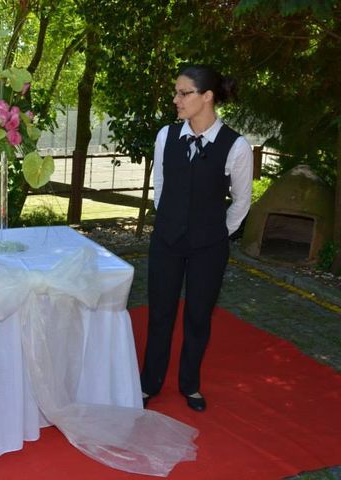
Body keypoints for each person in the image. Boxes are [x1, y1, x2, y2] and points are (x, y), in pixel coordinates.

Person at [140, 65, 253, 412]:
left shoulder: (237, 146)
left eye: (184, 93)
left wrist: (216, 233)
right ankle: (149, 384)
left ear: (207, 97)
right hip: (166, 240)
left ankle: (190, 385)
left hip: (209, 246)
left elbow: (242, 201)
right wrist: (172, 221)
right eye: (176, 92)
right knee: (160, 314)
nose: (176, 99)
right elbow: (161, 186)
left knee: (198, 317)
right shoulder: (166, 137)